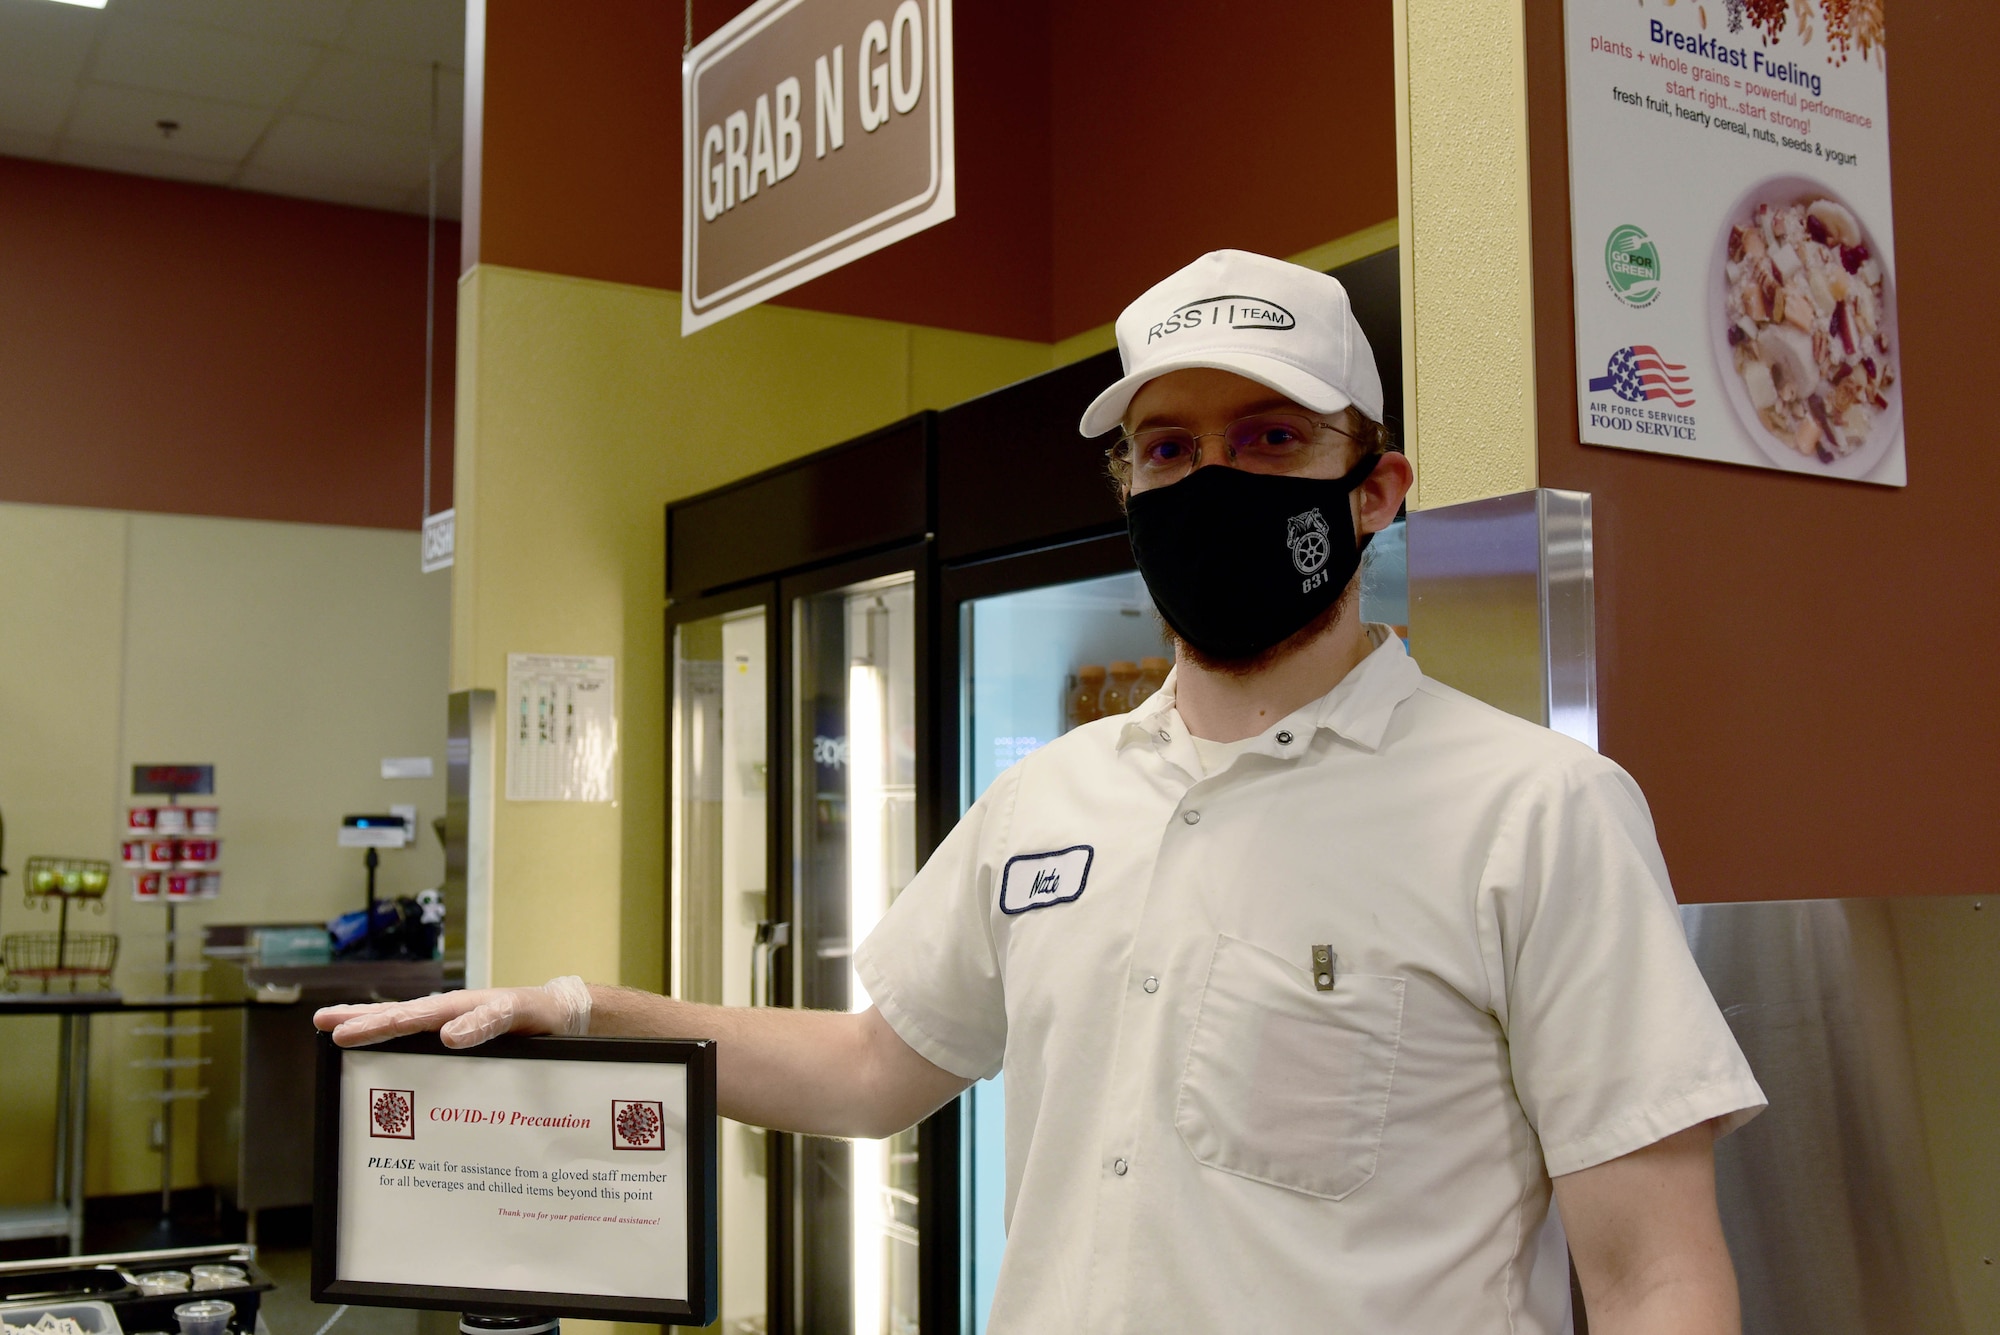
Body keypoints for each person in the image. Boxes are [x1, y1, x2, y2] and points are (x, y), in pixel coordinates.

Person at [320, 250, 1765, 1333]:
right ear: (1127, 488)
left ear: (1374, 490)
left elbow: (1656, 1272)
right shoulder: (1049, 801)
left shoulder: (1538, 811)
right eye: (1170, 449)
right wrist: (588, 1015)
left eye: (1271, 440)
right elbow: (879, 1069)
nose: (1213, 481)